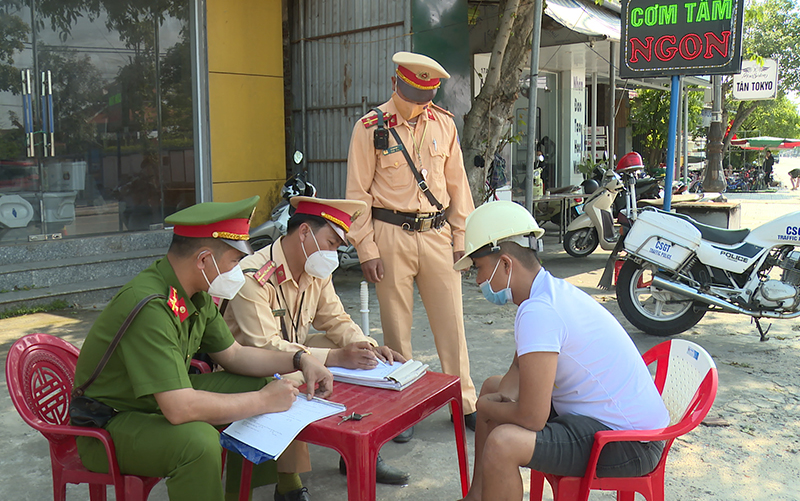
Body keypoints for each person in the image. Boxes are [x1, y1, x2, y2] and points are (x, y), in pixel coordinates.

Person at [73, 196, 334, 501]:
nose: (238, 271)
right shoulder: (151, 306)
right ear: (203, 260)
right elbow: (180, 407)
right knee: (198, 443)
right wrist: (262, 401)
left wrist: (299, 359)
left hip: (153, 400)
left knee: (259, 382)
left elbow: (234, 355)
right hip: (109, 424)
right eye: (234, 262)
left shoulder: (195, 294)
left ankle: (242, 492)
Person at [454, 201, 670, 501]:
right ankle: (476, 497)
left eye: (479, 269)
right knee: (493, 389)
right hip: (606, 421)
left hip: (630, 442)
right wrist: (496, 402)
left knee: (503, 444)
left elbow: (532, 418)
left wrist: (487, 409)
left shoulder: (539, 312)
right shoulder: (547, 294)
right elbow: (516, 374)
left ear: (505, 264)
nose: (478, 281)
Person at [223, 196, 410, 488]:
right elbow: (266, 346)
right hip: (251, 364)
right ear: (305, 233)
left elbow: (335, 318)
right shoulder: (254, 276)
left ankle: (361, 455)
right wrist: (334, 357)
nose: (334, 253)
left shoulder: (315, 269)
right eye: (331, 243)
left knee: (360, 359)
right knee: (294, 372)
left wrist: (366, 347)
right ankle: (289, 484)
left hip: (294, 349)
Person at [345, 52, 478, 439]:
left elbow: (458, 187)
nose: (418, 105)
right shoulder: (369, 127)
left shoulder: (444, 124)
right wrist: (366, 249)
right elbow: (357, 196)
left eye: (425, 96)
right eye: (410, 95)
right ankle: (401, 406)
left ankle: (463, 400)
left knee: (452, 323)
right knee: (396, 329)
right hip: (390, 235)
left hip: (437, 234)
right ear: (394, 83)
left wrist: (460, 238)